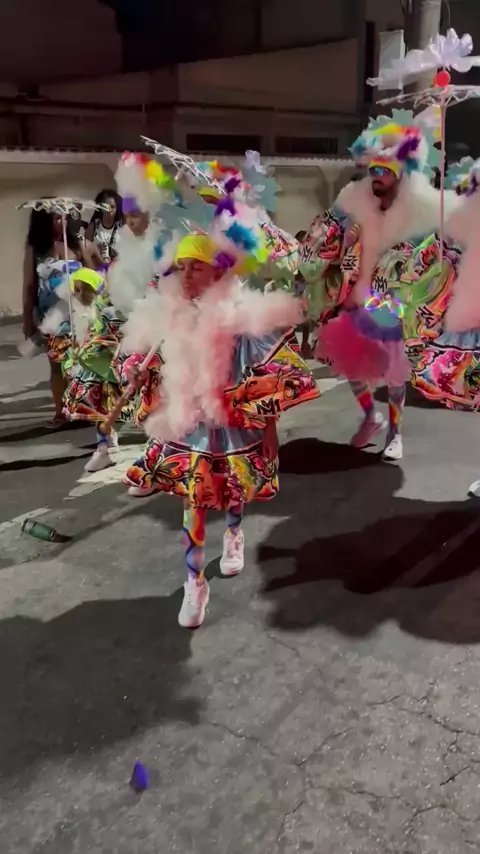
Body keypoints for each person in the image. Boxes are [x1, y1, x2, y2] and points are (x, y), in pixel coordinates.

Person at [120, 229, 318, 629]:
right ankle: (194, 582)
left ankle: (233, 533)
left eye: (196, 267)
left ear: (217, 273)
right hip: (189, 422)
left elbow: (267, 376)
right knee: (193, 497)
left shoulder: (239, 318)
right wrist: (137, 373)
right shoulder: (168, 312)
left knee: (231, 486)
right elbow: (145, 358)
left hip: (232, 421)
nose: (186, 275)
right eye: (181, 267)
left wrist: (269, 427)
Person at [302, 118, 458, 461]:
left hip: (393, 306)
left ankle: (395, 433)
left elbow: (433, 258)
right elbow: (327, 237)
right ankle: (370, 417)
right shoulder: (355, 204)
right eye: (373, 169)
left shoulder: (419, 214)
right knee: (352, 366)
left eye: (384, 171)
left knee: (394, 374)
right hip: (357, 301)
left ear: (401, 174)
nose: (376, 176)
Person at [22, 207, 98, 428]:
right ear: (44, 221)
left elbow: (93, 276)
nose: (62, 221)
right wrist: (27, 318)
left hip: (78, 313)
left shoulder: (76, 245)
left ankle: (84, 408)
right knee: (57, 365)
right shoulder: (35, 249)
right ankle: (61, 412)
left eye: (63, 217)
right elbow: (29, 285)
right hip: (51, 316)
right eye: (56, 218)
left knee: (82, 361)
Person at [85, 189, 123, 263]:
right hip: (98, 265)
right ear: (100, 208)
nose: (109, 210)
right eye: (106, 206)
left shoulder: (122, 226)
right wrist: (95, 250)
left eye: (113, 207)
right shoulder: (93, 227)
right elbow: (85, 253)